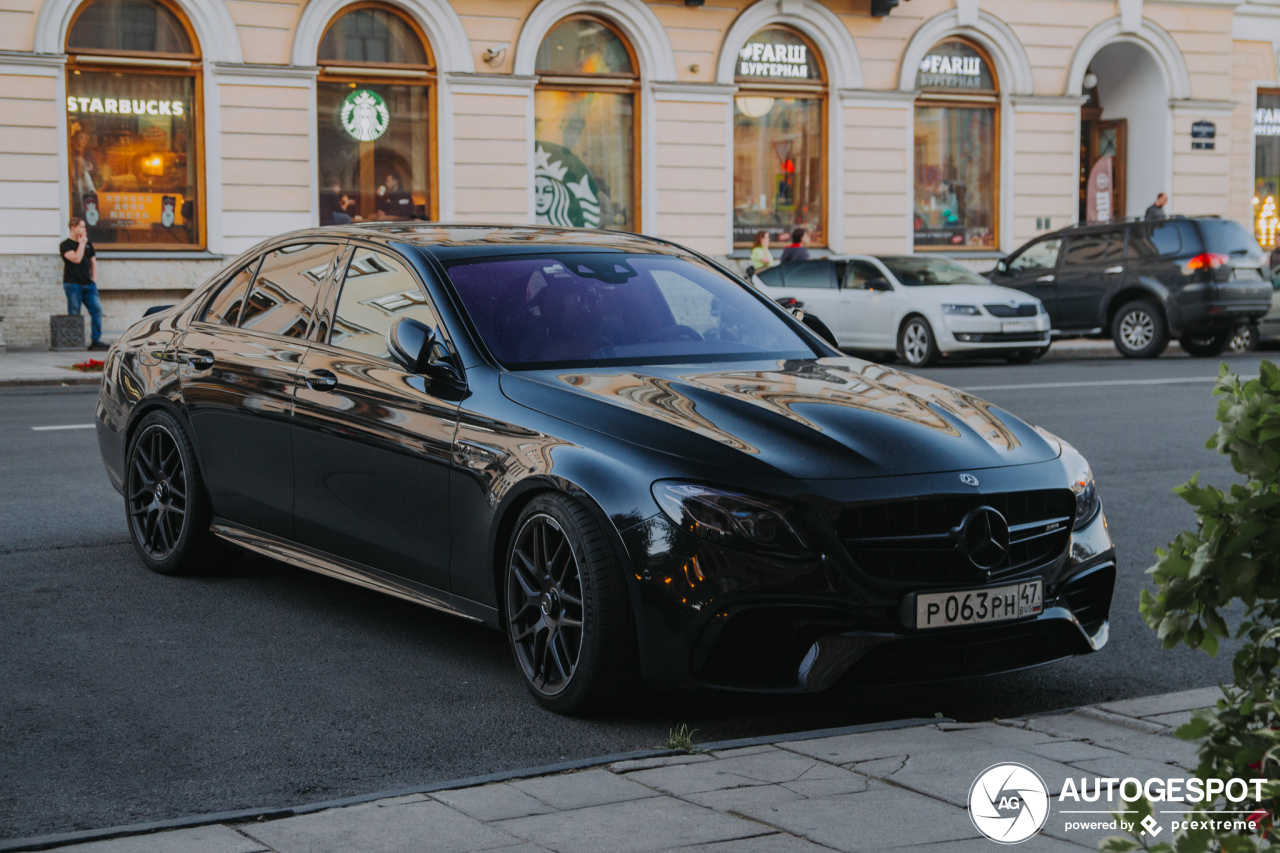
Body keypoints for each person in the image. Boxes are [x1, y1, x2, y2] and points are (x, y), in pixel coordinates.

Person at [60, 217, 106, 351]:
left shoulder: (88, 243)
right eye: (81, 227)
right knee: (75, 314)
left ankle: (96, 341)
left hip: (89, 285)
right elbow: (76, 258)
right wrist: (81, 244)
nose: (84, 230)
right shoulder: (65, 245)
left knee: (97, 310)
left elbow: (93, 261)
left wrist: (94, 280)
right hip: (73, 285)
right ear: (73, 228)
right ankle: (74, 342)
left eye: (85, 227)